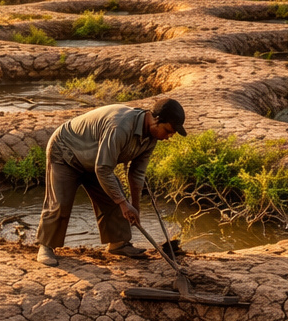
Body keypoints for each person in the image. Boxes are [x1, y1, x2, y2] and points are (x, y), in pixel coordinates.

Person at [36, 97, 187, 267]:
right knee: (60, 202)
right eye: (168, 131)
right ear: (156, 120)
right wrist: (124, 204)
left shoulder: (151, 138)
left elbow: (137, 173)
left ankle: (118, 243)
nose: (168, 137)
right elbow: (103, 169)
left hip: (95, 159)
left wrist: (134, 207)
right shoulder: (121, 126)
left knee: (114, 198)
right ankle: (46, 246)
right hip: (65, 151)